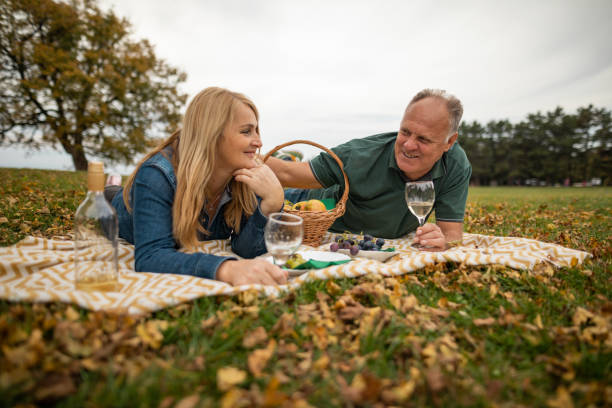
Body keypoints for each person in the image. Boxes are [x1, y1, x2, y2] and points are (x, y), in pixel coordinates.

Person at [109, 87, 288, 285]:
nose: (259, 142)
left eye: (256, 130)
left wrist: (271, 204)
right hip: (119, 211)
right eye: (246, 131)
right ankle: (111, 190)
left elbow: (245, 250)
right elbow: (151, 257)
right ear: (211, 135)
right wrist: (226, 268)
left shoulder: (244, 176)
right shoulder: (157, 176)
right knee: (109, 204)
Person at [266, 89, 471, 251]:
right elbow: (287, 174)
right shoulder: (359, 155)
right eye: (405, 132)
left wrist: (441, 241)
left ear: (449, 142)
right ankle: (286, 156)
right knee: (260, 193)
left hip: (375, 238)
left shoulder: (455, 165)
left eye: (423, 139)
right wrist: (237, 156)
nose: (408, 145)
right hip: (306, 204)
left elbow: (451, 235)